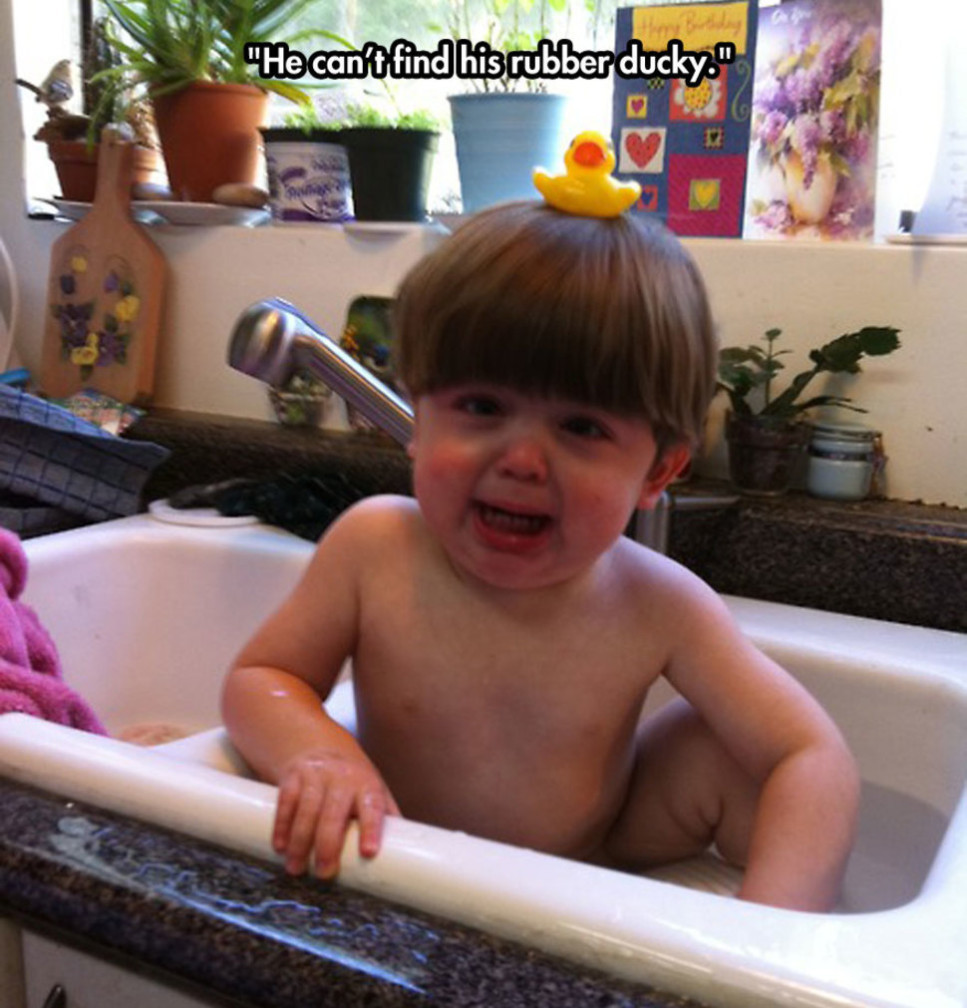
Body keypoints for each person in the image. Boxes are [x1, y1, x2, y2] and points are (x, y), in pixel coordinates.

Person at [222, 194, 859, 912]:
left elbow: (810, 754)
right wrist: (319, 755)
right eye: (482, 408)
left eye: (581, 427)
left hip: (587, 863)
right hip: (401, 858)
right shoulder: (375, 547)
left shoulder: (661, 603)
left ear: (657, 471)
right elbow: (262, 677)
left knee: (729, 751)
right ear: (417, 418)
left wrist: (766, 940)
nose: (522, 460)